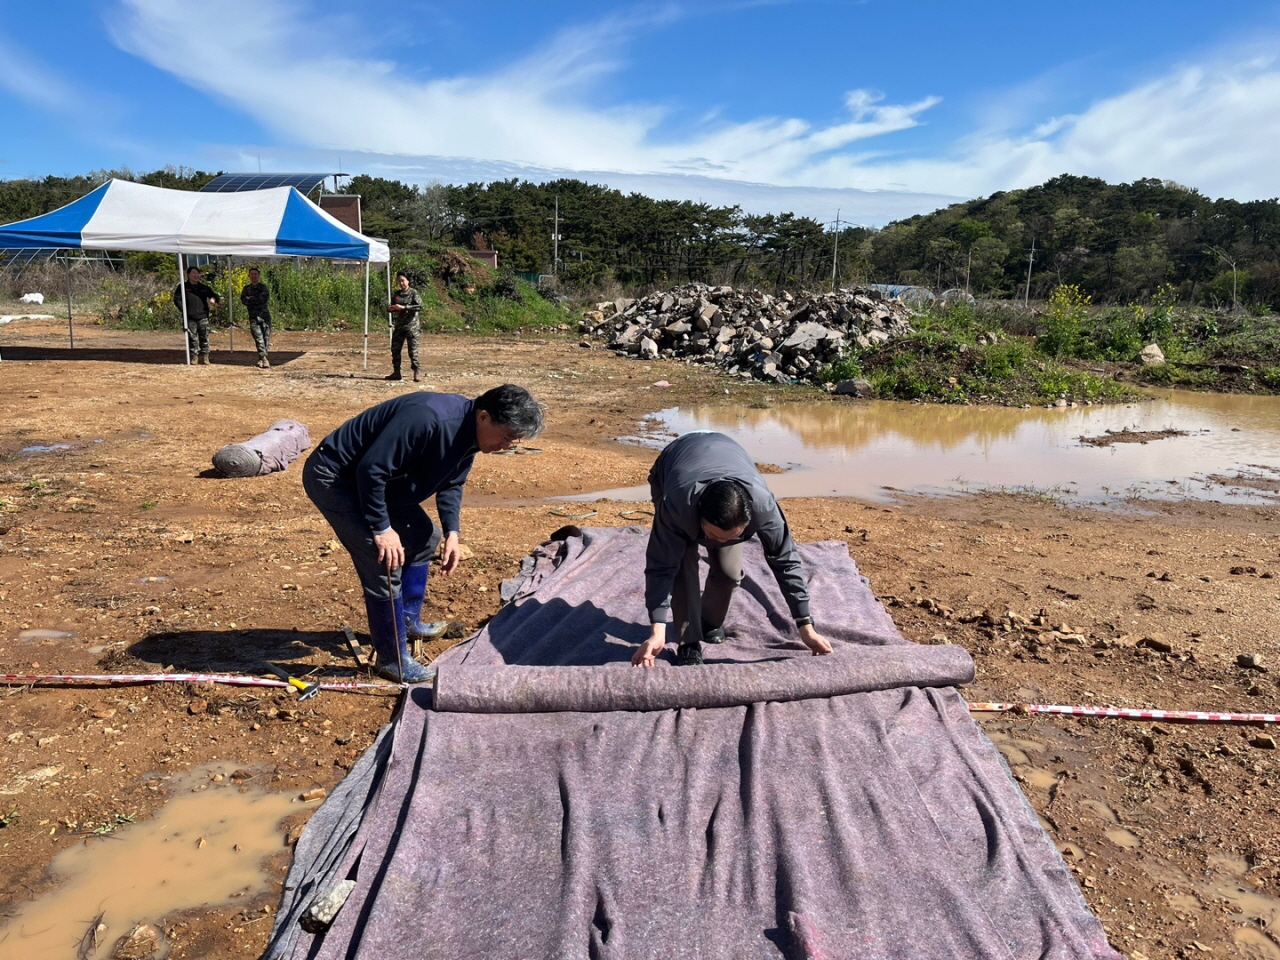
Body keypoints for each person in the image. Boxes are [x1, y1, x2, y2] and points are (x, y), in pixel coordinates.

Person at [303, 385, 544, 682]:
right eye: (507, 437)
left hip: (382, 485)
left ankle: (408, 620)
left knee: (425, 538)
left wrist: (452, 532)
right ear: (485, 417)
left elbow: (452, 483)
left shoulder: (469, 435)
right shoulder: (429, 418)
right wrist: (382, 527)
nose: (508, 446)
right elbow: (372, 470)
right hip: (337, 477)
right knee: (383, 560)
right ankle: (392, 658)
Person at [632, 431, 833, 667]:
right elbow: (661, 566)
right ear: (700, 519)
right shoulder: (676, 508)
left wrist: (805, 627)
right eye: (714, 536)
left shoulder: (763, 507)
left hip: (725, 451)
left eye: (732, 537)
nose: (721, 542)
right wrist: (658, 630)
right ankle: (689, 641)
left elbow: (786, 562)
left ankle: (709, 622)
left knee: (728, 572)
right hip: (674, 462)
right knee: (681, 565)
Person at [172, 266, 221, 364]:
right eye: (193, 273)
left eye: (197, 273)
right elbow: (177, 299)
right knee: (192, 338)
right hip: (190, 317)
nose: (196, 275)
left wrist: (213, 299)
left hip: (203, 317)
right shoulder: (183, 287)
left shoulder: (204, 288)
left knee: (204, 338)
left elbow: (214, 295)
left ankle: (205, 356)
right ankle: (194, 357)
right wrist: (184, 310)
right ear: (188, 275)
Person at [387, 271, 423, 382]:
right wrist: (391, 308)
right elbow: (389, 307)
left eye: (403, 280)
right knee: (395, 349)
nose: (401, 283)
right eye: (399, 281)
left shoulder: (413, 293)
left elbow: (419, 306)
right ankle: (396, 372)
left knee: (412, 350)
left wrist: (405, 307)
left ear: (408, 281)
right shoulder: (397, 294)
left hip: (411, 326)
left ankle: (416, 371)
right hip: (399, 326)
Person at [240, 267, 272, 368]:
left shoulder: (263, 287)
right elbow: (244, 300)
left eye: (255, 274)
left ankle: (261, 357)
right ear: (249, 276)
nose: (254, 276)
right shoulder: (246, 288)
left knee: (265, 338)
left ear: (259, 276)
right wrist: (254, 299)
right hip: (253, 317)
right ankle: (264, 358)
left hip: (265, 317)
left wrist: (251, 299)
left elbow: (263, 299)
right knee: (258, 338)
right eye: (252, 274)